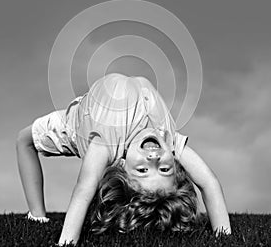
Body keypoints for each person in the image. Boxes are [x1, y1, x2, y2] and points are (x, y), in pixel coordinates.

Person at [16, 73, 231, 245]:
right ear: (175, 163)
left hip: (75, 124)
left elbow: (84, 190)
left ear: (121, 167)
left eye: (143, 171)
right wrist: (225, 237)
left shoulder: (106, 145)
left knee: (23, 141)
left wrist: (66, 242)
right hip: (93, 105)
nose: (154, 158)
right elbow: (209, 183)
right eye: (165, 169)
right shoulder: (169, 142)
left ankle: (37, 216)